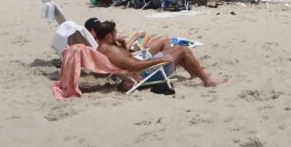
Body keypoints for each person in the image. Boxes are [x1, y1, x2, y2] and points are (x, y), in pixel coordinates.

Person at [93, 20, 225, 87]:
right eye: (115, 33)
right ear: (109, 35)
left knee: (177, 48)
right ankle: (207, 80)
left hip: (134, 70)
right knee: (183, 49)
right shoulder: (111, 50)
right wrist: (160, 60)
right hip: (141, 75)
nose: (116, 35)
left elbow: (126, 60)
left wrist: (122, 46)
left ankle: (196, 74)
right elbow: (134, 66)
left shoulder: (103, 48)